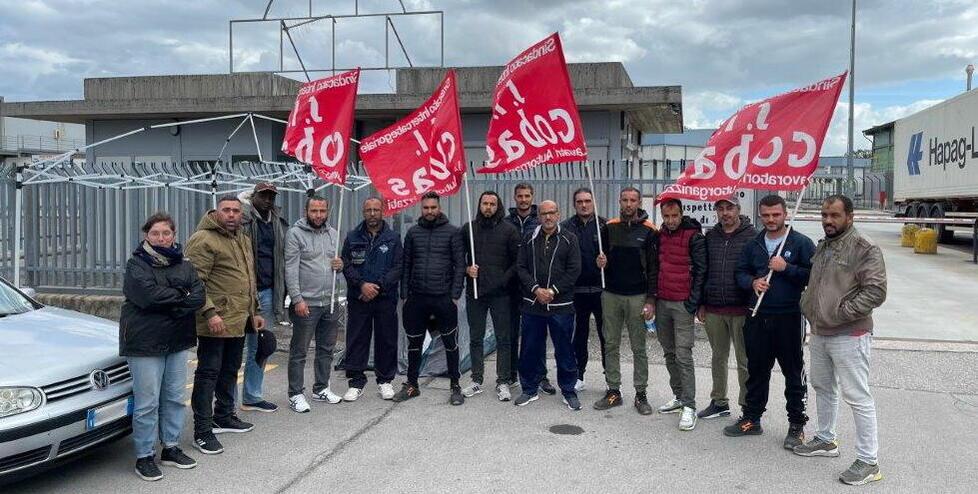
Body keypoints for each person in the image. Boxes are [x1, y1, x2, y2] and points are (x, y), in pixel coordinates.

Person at [796, 195, 886, 486]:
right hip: (821, 332)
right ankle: (826, 439)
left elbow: (876, 292)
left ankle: (869, 462)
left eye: (834, 215)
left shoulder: (864, 247)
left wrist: (840, 313)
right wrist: (809, 306)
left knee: (858, 397)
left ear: (850, 216)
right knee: (823, 387)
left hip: (849, 333)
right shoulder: (825, 245)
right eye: (824, 215)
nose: (828, 220)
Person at [725, 194, 815, 450]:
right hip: (758, 316)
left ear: (785, 214)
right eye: (766, 215)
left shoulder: (801, 243)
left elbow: (814, 276)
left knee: (793, 372)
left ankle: (796, 425)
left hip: (789, 317)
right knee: (756, 371)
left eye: (776, 214)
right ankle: (752, 418)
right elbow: (740, 272)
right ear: (760, 215)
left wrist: (787, 268)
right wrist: (752, 282)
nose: (771, 219)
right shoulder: (753, 244)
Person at [120, 213, 205, 481]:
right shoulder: (136, 264)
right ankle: (144, 456)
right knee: (147, 403)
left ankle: (171, 447)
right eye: (155, 233)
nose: (161, 238)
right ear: (147, 235)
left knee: (174, 397)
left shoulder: (184, 264)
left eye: (166, 233)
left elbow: (199, 296)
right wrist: (181, 295)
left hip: (177, 339)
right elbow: (147, 297)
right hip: (145, 342)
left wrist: (173, 300)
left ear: (174, 235)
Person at [186, 196, 264, 455]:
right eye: (226, 210)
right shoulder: (203, 239)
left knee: (230, 369)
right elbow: (194, 282)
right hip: (215, 321)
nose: (231, 214)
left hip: (238, 318)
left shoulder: (242, 237)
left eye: (236, 211)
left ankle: (223, 415)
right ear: (216, 212)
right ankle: (202, 431)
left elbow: (249, 277)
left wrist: (255, 310)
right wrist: (209, 313)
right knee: (208, 374)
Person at [393, 192, 466, 405]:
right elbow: (406, 265)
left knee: (450, 343)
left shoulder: (453, 232)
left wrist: (455, 295)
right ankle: (412, 384)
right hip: (417, 298)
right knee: (414, 344)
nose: (430, 211)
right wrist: (404, 295)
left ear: (439, 208)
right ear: (421, 209)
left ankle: (455, 385)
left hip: (443, 298)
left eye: (433, 207)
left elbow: (460, 265)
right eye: (426, 208)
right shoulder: (413, 233)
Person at [592, 187, 657, 415]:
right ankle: (613, 390)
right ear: (619, 201)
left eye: (632, 200)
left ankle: (641, 394)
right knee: (610, 343)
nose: (628, 204)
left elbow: (654, 268)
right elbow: (602, 259)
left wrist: (651, 300)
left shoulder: (650, 230)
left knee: (638, 347)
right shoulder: (608, 227)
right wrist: (601, 262)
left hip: (638, 296)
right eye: (625, 200)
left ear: (639, 203)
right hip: (611, 294)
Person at [513, 200, 582, 410]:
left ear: (558, 214)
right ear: (539, 216)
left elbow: (574, 270)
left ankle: (568, 390)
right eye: (544, 214)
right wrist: (536, 289)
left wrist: (552, 291)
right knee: (529, 348)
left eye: (552, 213)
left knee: (564, 349)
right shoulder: (529, 238)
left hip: (561, 305)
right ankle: (529, 389)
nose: (548, 217)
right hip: (533, 304)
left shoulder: (569, 238)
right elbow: (521, 267)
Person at [283, 194, 344, 413]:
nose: (318, 215)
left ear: (328, 212)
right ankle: (295, 394)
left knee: (326, 349)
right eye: (314, 211)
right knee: (299, 351)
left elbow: (335, 266)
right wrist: (297, 299)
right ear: (306, 212)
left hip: (330, 301)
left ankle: (321, 388)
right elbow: (290, 269)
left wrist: (340, 265)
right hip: (306, 303)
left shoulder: (333, 233)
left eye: (322, 211)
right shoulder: (295, 234)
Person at [649, 198, 706, 430]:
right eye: (666, 216)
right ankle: (679, 396)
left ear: (682, 214)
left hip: (683, 304)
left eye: (675, 215)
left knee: (683, 355)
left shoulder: (694, 236)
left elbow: (701, 271)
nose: (671, 220)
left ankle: (690, 406)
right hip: (663, 302)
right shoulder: (659, 235)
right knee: (669, 352)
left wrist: (693, 302)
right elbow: (655, 267)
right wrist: (653, 298)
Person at [697, 196, 756, 420]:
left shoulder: (752, 236)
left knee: (745, 361)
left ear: (738, 209)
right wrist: (701, 303)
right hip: (714, 308)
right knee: (718, 358)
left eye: (729, 208)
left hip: (742, 309)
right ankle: (719, 402)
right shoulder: (711, 236)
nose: (725, 213)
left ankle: (748, 407)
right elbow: (703, 271)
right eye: (720, 209)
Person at [459, 191, 520, 401]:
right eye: (485, 203)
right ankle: (476, 380)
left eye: (492, 204)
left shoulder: (509, 230)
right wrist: (467, 269)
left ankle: (503, 381)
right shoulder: (469, 229)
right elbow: (458, 257)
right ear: (479, 205)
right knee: (475, 338)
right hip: (475, 292)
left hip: (501, 295)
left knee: (504, 339)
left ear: (498, 206)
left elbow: (517, 262)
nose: (488, 207)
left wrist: (503, 280)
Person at [341, 197, 403, 402]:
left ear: (382, 211)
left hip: (385, 298)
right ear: (363, 212)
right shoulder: (352, 237)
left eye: (376, 209)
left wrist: (378, 287)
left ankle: (385, 381)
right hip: (359, 297)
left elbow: (398, 267)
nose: (373, 213)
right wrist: (361, 285)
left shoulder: (393, 238)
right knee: (357, 339)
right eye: (369, 210)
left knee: (386, 339)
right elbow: (346, 264)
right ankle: (356, 382)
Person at [237, 182, 289, 413]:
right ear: (253, 197)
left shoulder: (277, 222)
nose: (268, 200)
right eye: (263, 196)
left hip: (267, 291)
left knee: (260, 347)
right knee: (233, 349)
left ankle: (252, 396)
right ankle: (225, 404)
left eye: (271, 197)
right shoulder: (242, 220)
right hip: (242, 293)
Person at [504, 182, 554, 394]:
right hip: (511, 286)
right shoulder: (506, 222)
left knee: (537, 335)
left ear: (532, 197)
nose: (523, 199)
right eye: (520, 196)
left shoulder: (540, 221)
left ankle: (541, 375)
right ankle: (511, 373)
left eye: (527, 196)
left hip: (534, 287)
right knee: (511, 332)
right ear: (515, 198)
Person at [560, 187, 607, 392]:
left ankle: (610, 377)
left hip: (601, 290)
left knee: (606, 336)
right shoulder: (566, 227)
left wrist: (606, 262)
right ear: (574, 204)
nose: (584, 205)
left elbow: (614, 254)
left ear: (593, 202)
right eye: (579, 202)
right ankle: (578, 375)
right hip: (576, 291)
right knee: (579, 335)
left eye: (587, 201)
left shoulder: (604, 226)